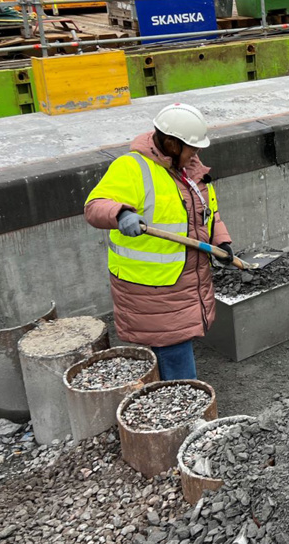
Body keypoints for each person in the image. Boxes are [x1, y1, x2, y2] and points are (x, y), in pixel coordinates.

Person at [85, 103, 234, 380]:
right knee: (174, 353)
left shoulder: (191, 170)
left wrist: (221, 241)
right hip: (152, 287)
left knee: (175, 348)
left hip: (184, 281)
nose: (197, 153)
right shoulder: (132, 167)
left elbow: (208, 213)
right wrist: (120, 213)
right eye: (191, 147)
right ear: (171, 144)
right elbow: (94, 206)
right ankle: (186, 413)